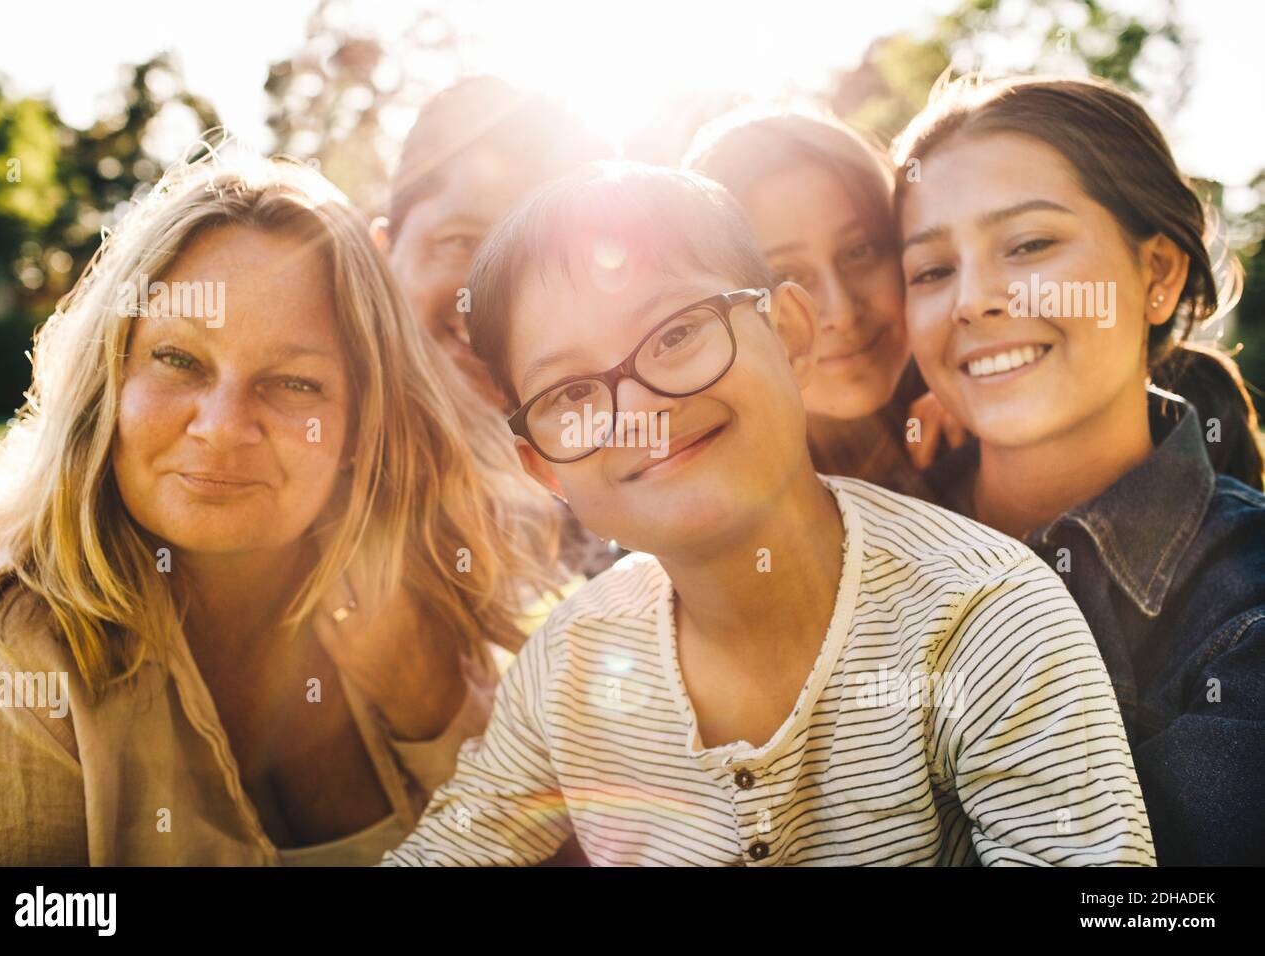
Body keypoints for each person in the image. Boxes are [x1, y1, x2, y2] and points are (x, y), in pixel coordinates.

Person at [379, 162, 1155, 866]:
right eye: (572, 394)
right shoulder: (570, 663)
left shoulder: (980, 615)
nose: (641, 409)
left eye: (677, 333)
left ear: (788, 334)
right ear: (543, 464)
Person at [0, 148, 561, 864]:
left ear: (362, 422)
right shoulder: (13, 651)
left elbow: (544, 847)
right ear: (109, 375)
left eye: (293, 384)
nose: (221, 425)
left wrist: (435, 713)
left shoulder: (416, 592)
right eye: (179, 360)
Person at [895, 74, 1265, 864]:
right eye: (930, 270)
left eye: (1029, 244)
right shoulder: (852, 537)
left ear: (1159, 275)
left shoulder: (1248, 603)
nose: (973, 300)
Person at [376, 74, 618, 578]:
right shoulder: (292, 479)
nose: (497, 296)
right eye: (461, 242)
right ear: (380, 255)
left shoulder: (636, 518)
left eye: (545, 258)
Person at [684, 107, 960, 498]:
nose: (842, 313)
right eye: (787, 278)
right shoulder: (701, 500)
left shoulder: (971, 413)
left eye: (859, 251)